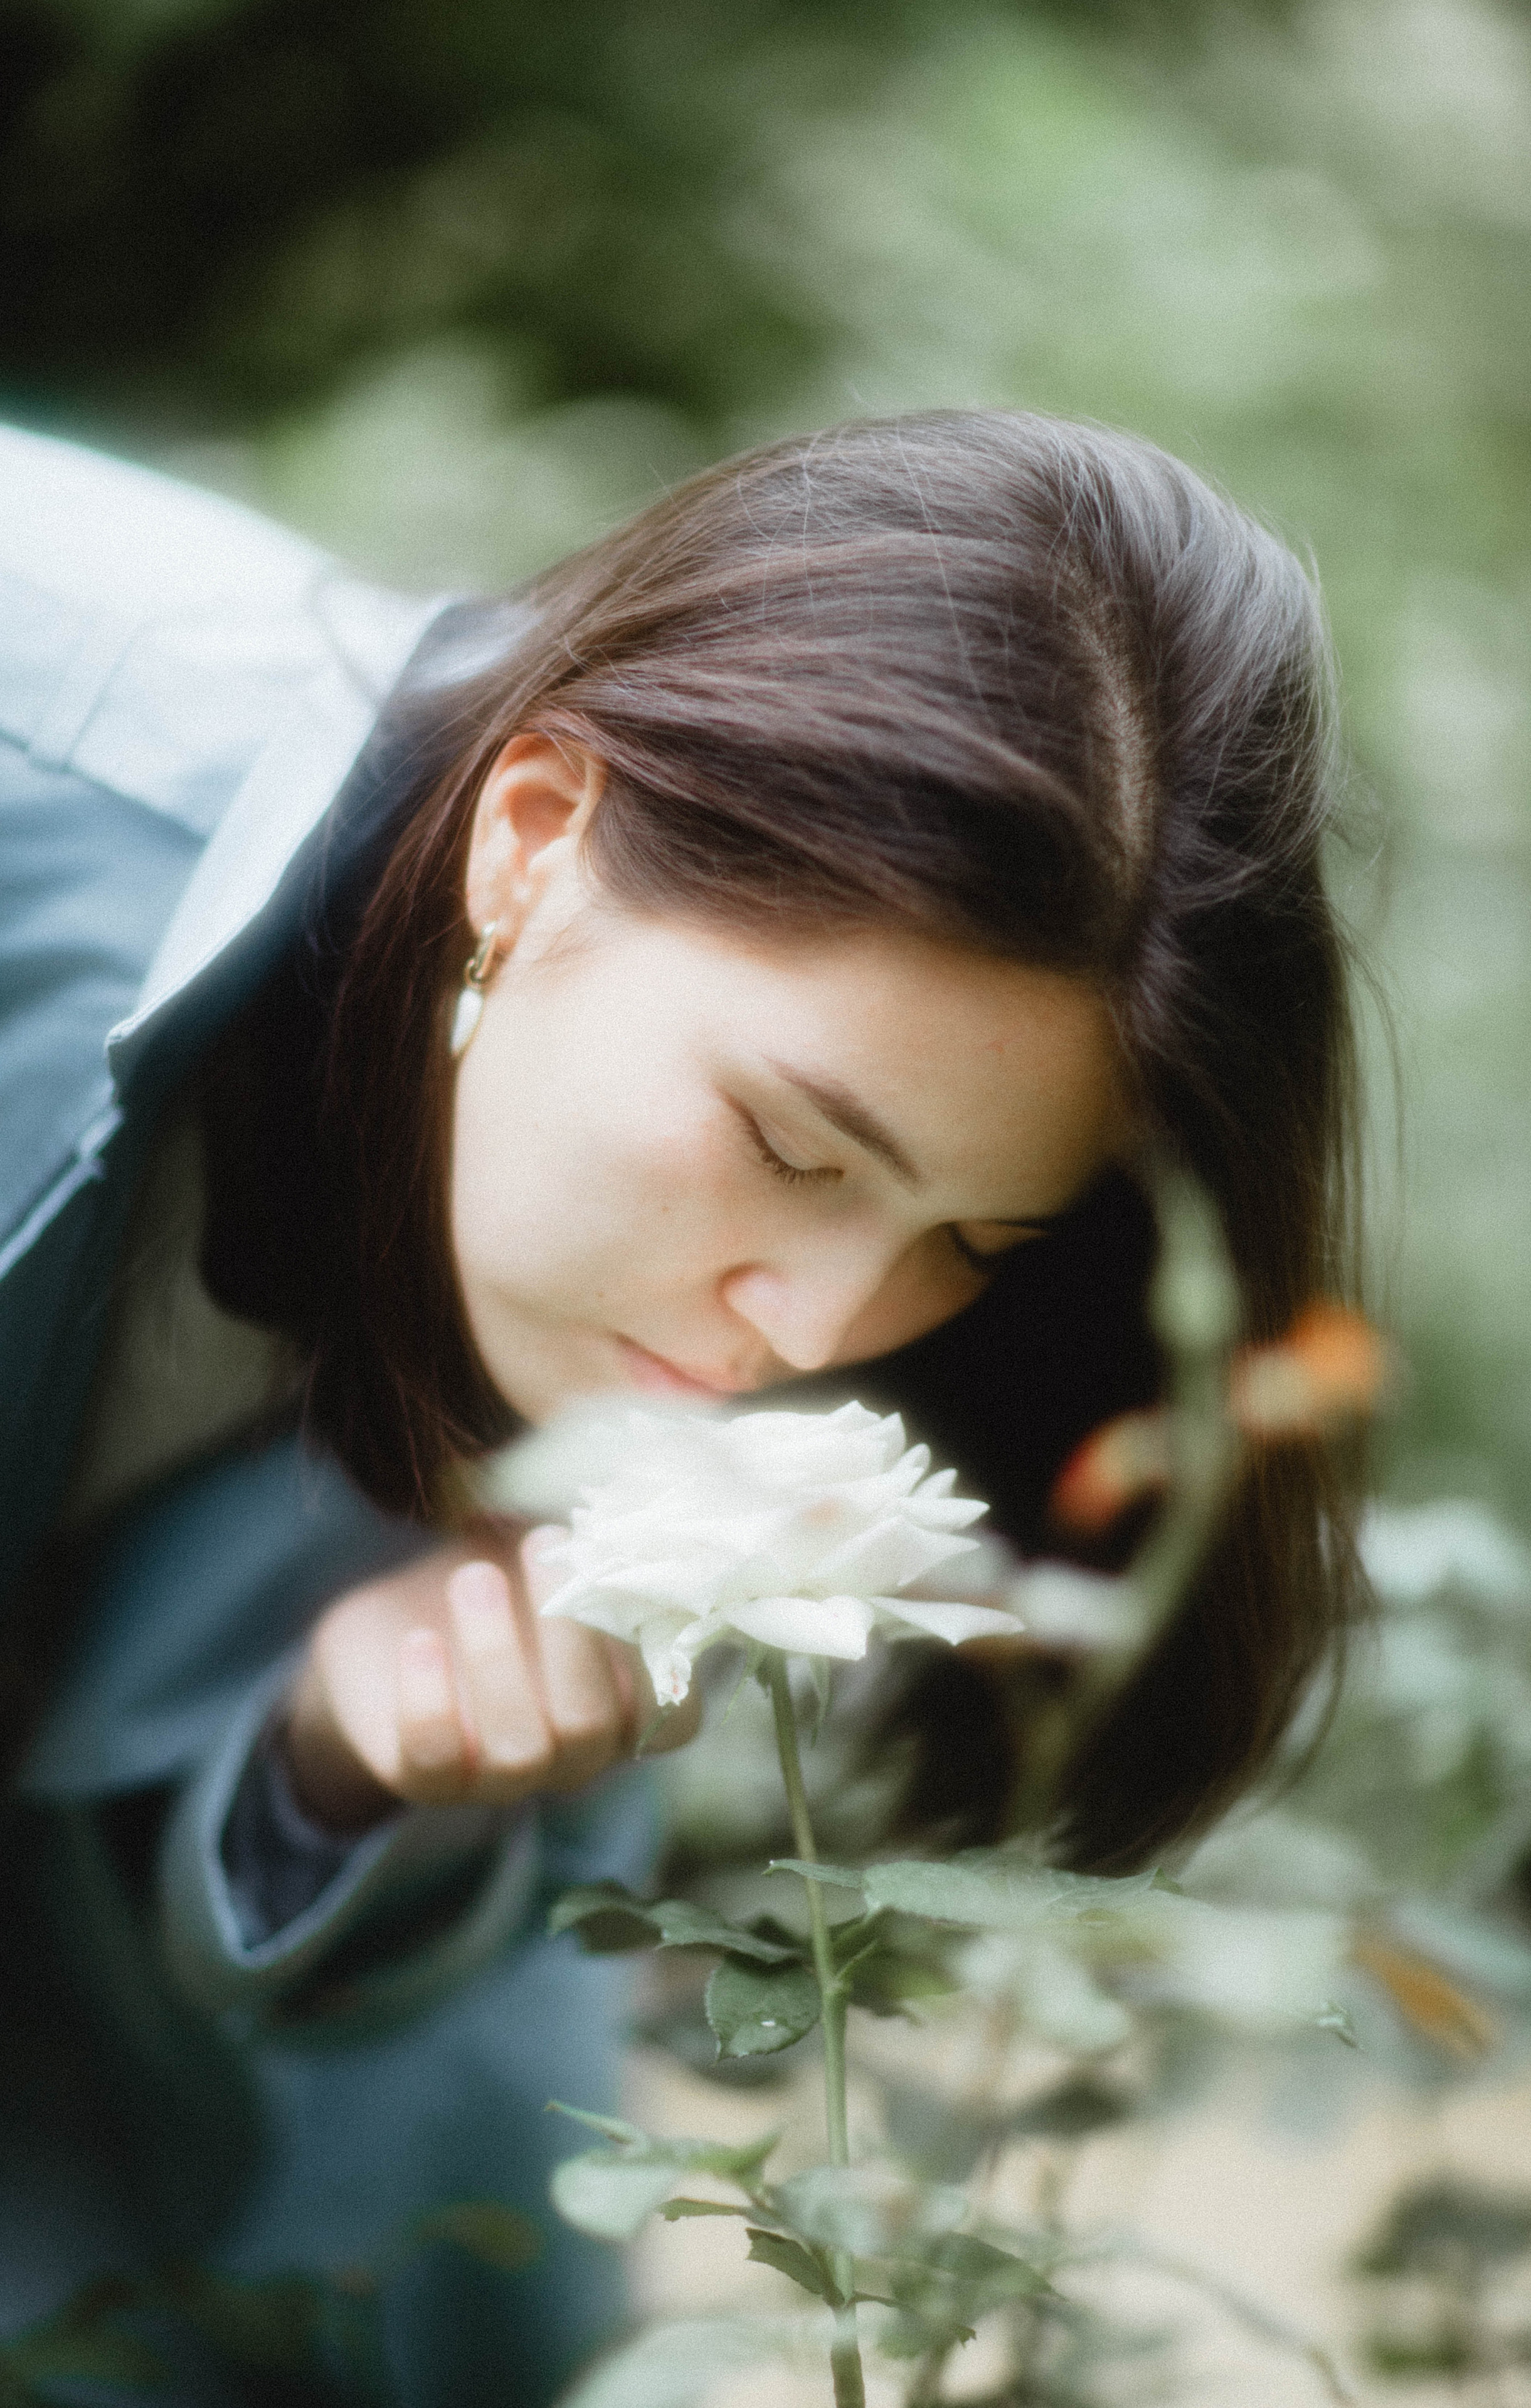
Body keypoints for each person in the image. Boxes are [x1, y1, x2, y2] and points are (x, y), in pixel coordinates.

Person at [0, 408, 1362, 2403]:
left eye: (974, 1238)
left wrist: (334, 1768)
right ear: (534, 838)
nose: (813, 1328)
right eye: (793, 1148)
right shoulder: (48, 792)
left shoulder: (613, 1317)